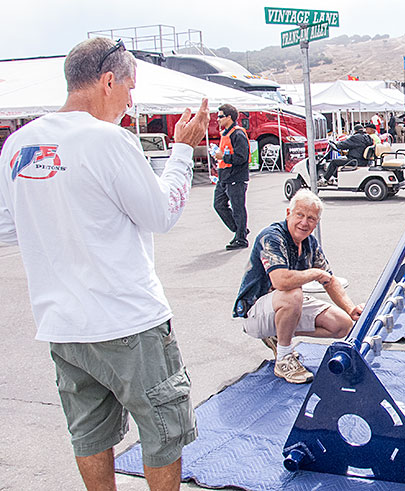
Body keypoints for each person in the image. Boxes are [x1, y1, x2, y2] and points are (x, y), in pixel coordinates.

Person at [0, 38, 209, 490]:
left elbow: (8, 225)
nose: (131, 103)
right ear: (108, 80)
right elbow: (161, 213)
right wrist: (180, 152)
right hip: (128, 322)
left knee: (89, 433)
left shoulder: (17, 146)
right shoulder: (109, 140)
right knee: (163, 431)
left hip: (63, 326)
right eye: (129, 89)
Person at [233, 189, 363, 384]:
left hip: (282, 305)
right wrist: (314, 273)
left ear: (316, 223)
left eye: (311, 218)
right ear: (288, 213)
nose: (304, 222)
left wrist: (351, 309)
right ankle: (284, 358)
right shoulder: (272, 237)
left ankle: (279, 333)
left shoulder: (309, 242)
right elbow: (281, 281)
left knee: (343, 324)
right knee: (292, 292)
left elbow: (330, 280)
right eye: (300, 215)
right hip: (255, 312)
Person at [213, 103, 251, 250]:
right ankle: (240, 230)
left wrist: (224, 156)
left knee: (238, 208)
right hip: (224, 176)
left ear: (229, 117)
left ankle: (241, 238)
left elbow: (242, 157)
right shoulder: (226, 133)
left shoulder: (238, 134)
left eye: (220, 117)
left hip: (236, 177)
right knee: (218, 204)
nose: (218, 119)